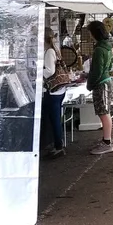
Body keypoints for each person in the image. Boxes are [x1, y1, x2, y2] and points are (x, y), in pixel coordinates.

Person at [87, 20, 113, 155]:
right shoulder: (107, 47)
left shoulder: (99, 49)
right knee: (105, 112)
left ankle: (107, 142)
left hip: (101, 83)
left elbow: (97, 71)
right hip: (106, 81)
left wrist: (90, 83)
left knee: (104, 113)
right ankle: (106, 140)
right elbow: (108, 67)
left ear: (94, 33)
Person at [42, 28, 67, 159]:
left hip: (53, 91)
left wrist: (37, 72)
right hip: (59, 90)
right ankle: (57, 144)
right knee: (55, 119)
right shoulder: (55, 50)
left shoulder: (49, 52)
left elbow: (50, 71)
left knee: (54, 120)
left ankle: (58, 146)